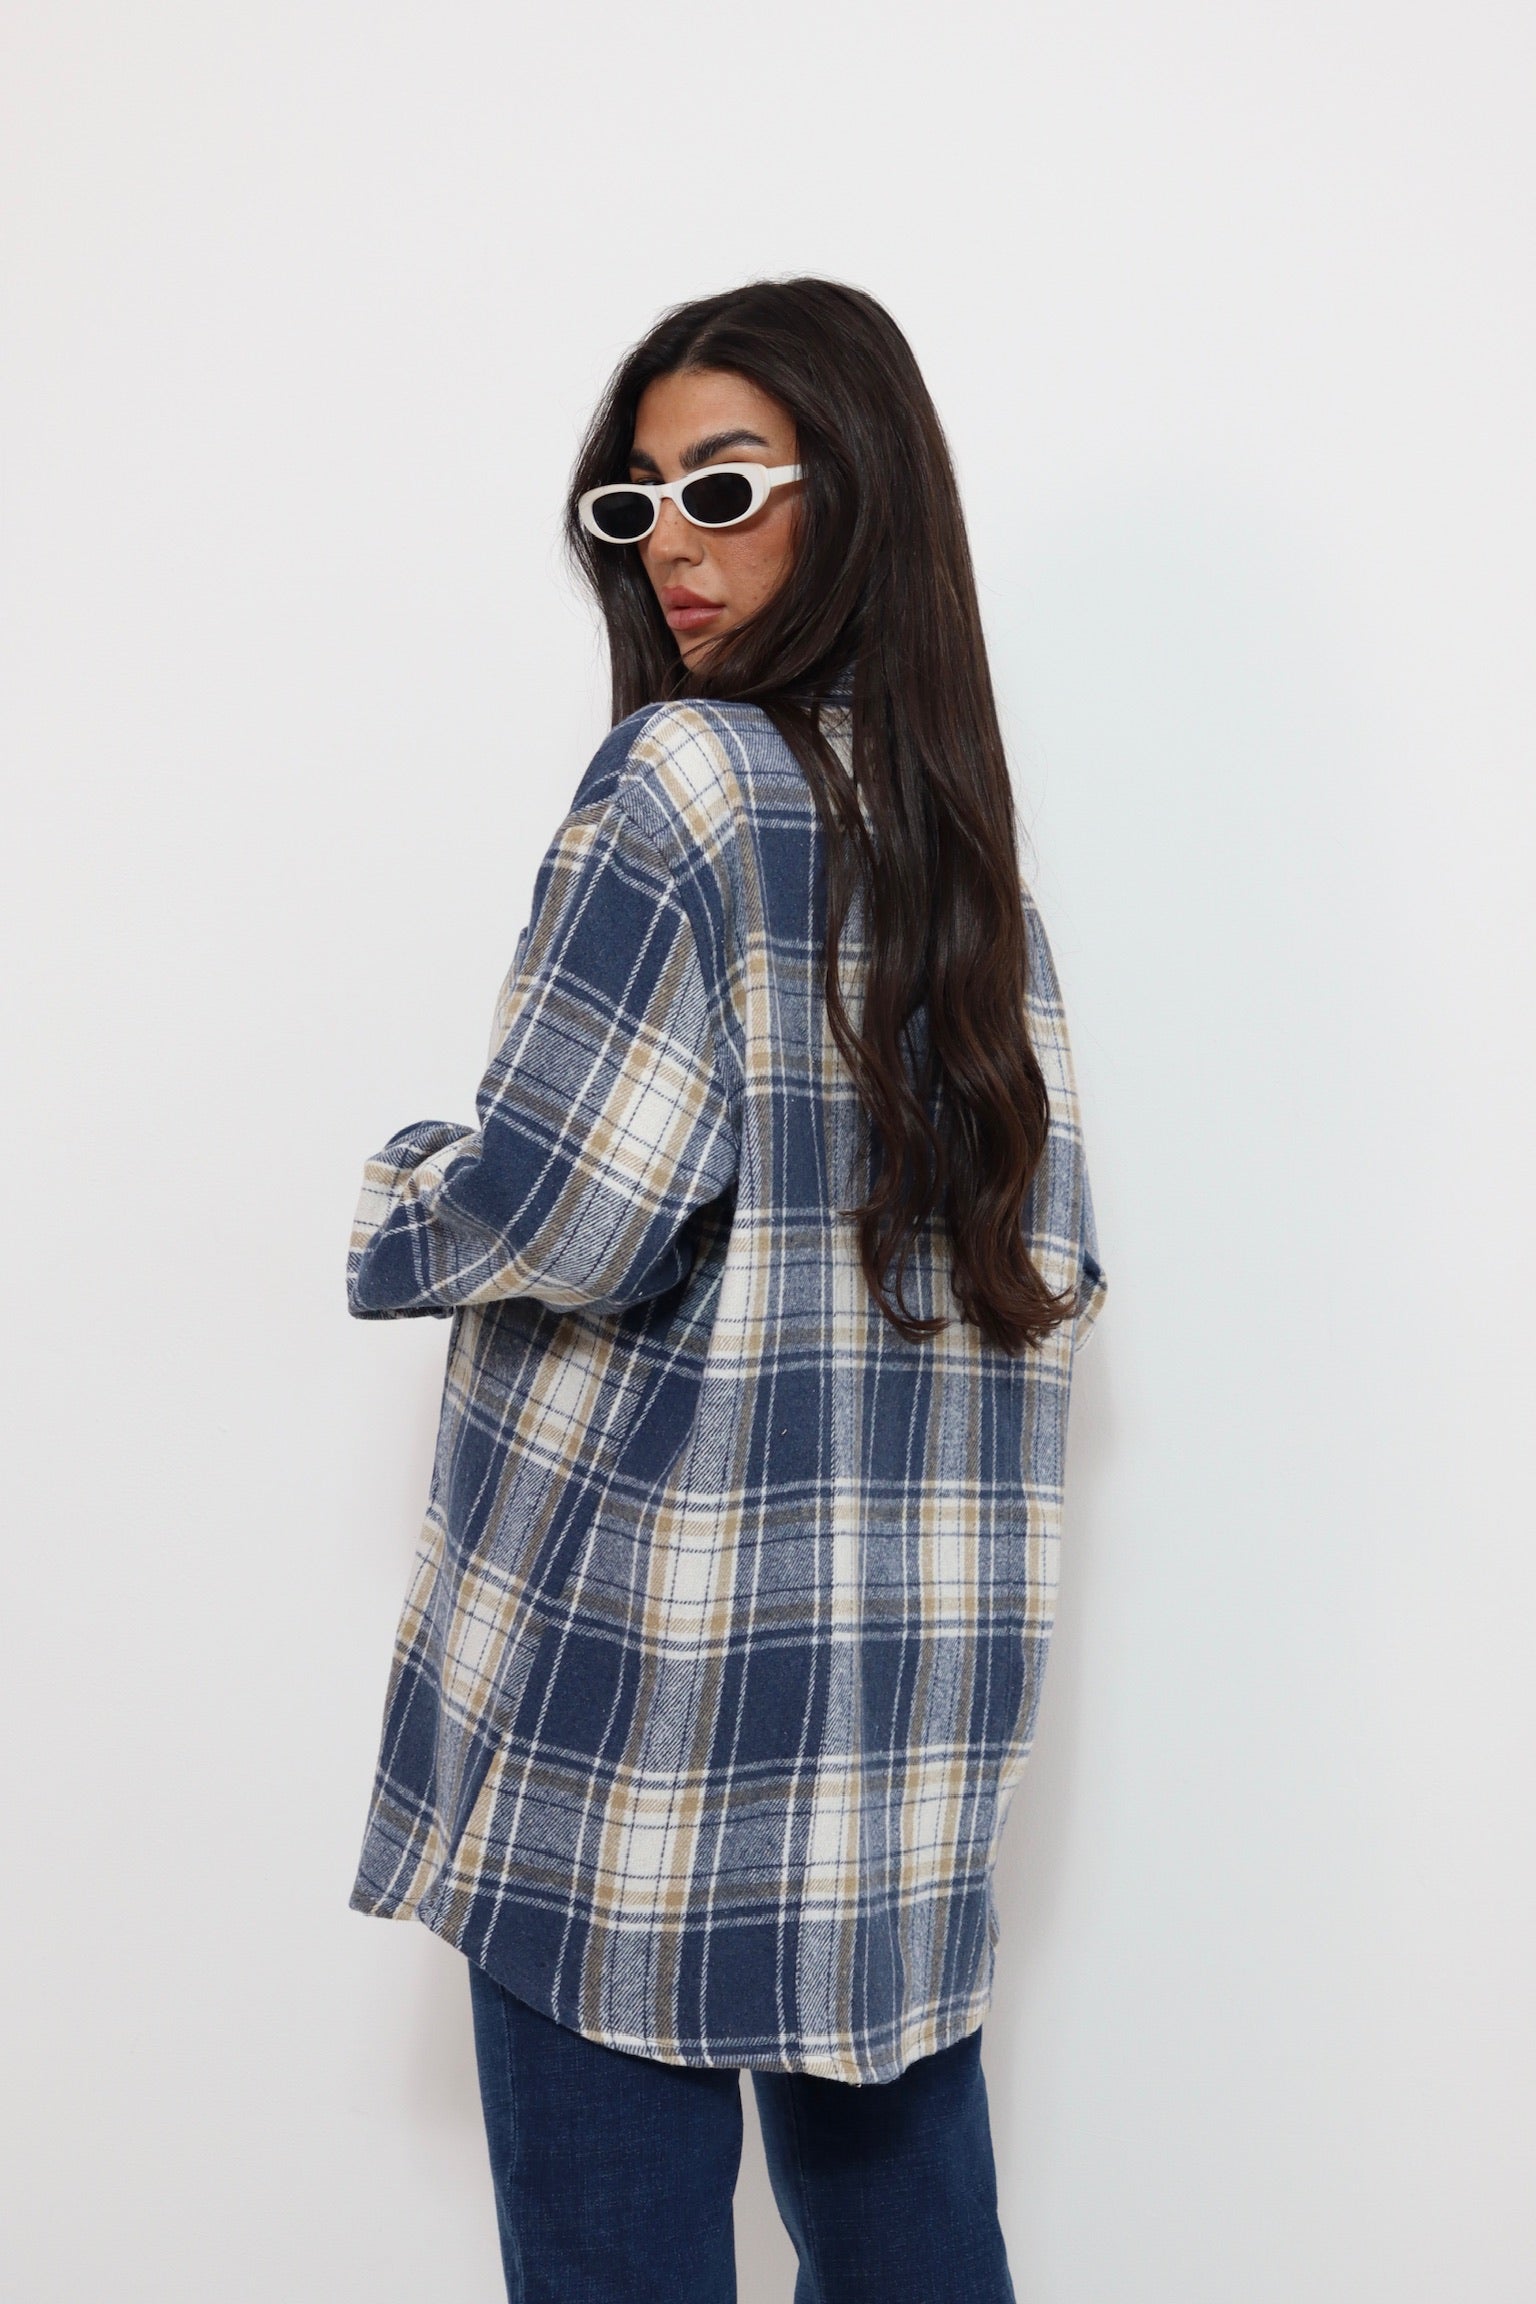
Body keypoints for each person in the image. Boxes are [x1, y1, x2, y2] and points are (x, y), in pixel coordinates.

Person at [345, 277, 1107, 2304]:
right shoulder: (967, 862)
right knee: (913, 2240)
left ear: (855, 491)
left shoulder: (681, 781)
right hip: (896, 1718)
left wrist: (401, 1194)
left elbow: (565, 1211)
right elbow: (1043, 1269)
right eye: (639, 502)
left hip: (644, 1702)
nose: (671, 545)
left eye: (726, 485)